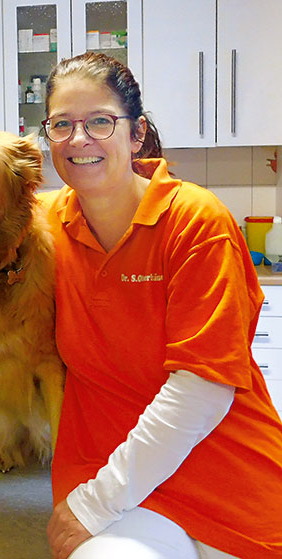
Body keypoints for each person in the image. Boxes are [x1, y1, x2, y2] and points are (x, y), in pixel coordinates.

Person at [39, 51, 282, 559]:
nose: (78, 139)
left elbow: (203, 391)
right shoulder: (43, 229)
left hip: (226, 474)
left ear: (136, 133)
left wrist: (92, 506)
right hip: (117, 488)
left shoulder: (196, 221)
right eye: (62, 125)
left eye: (100, 121)